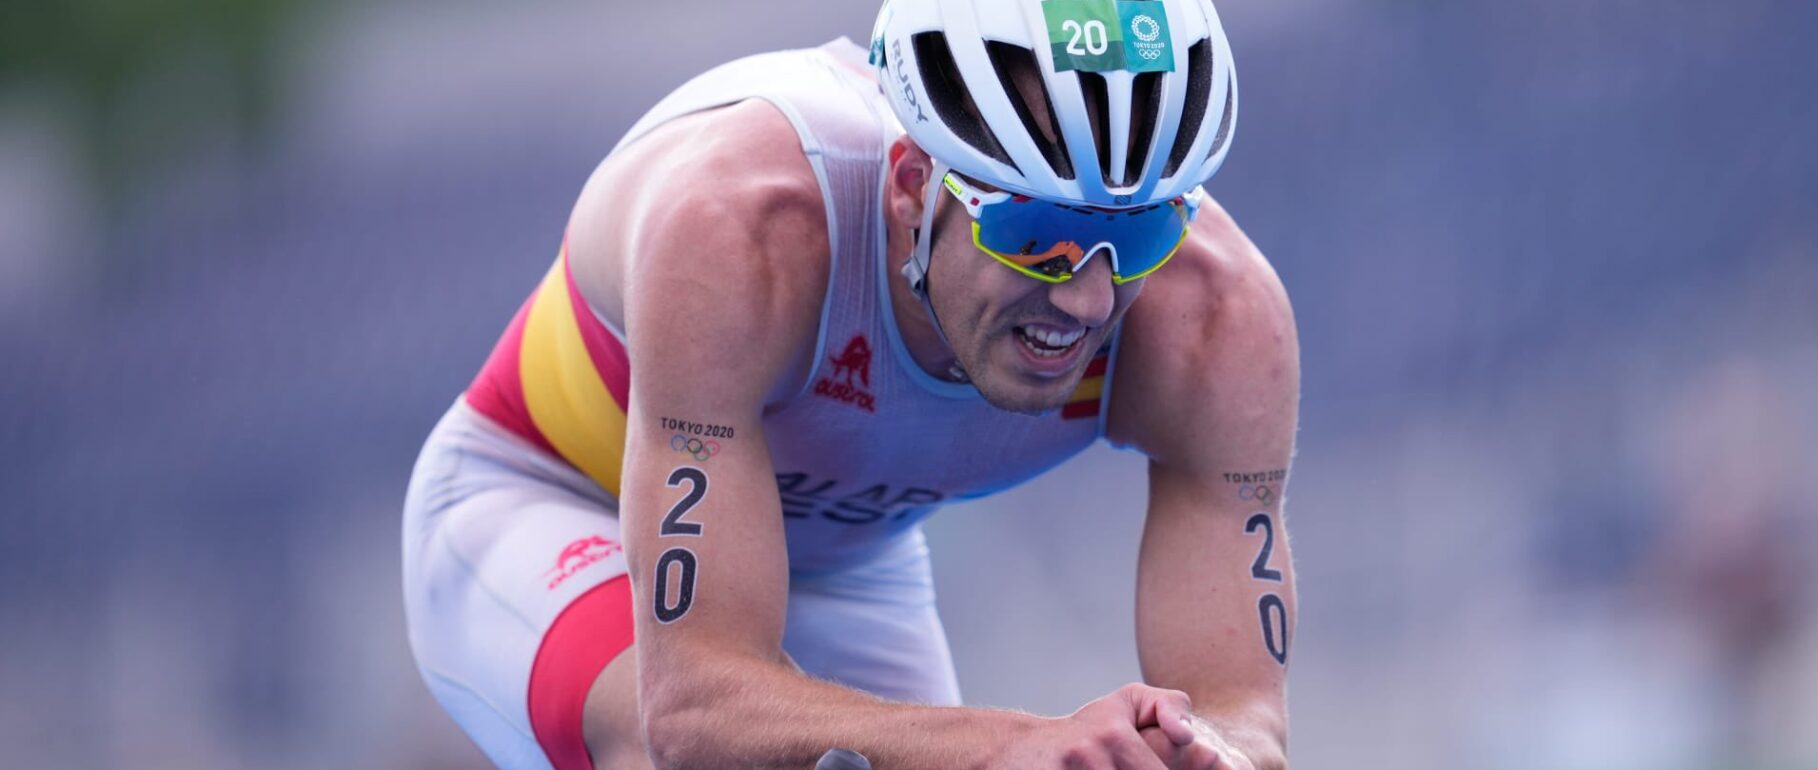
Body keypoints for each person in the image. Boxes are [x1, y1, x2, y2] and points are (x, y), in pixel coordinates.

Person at [402, 1, 1300, 768]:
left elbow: (1244, 719)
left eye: (1138, 236)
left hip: (846, 561)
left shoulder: (1215, 317)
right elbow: (690, 712)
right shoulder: (744, 230)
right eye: (1035, 234)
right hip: (548, 499)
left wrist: (1194, 750)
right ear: (913, 186)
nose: (1088, 295)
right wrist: (1015, 743)